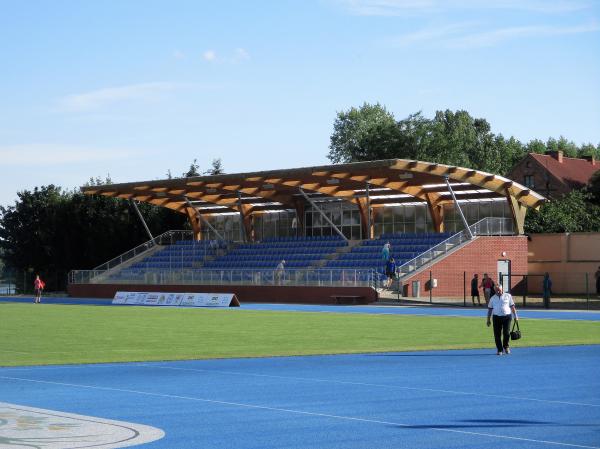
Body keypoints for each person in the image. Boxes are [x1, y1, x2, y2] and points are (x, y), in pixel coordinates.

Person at [486, 284, 519, 355]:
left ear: (502, 289)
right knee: (497, 334)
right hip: (496, 317)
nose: (498, 292)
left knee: (506, 333)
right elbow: (490, 310)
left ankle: (506, 346)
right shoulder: (492, 298)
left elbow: (512, 307)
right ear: (494, 290)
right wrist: (488, 320)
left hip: (507, 317)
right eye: (496, 290)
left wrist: (515, 316)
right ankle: (499, 349)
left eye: (499, 290)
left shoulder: (508, 296)